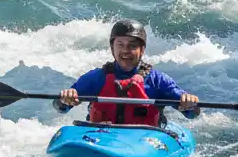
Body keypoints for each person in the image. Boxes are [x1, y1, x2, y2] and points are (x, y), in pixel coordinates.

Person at [55, 19, 200, 126]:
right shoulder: (96, 78)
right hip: (101, 135)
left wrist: (189, 103)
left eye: (132, 46)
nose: (125, 50)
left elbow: (192, 114)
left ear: (142, 50)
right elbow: (61, 107)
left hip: (144, 139)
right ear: (112, 48)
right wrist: (65, 99)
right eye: (120, 45)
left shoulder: (158, 80)